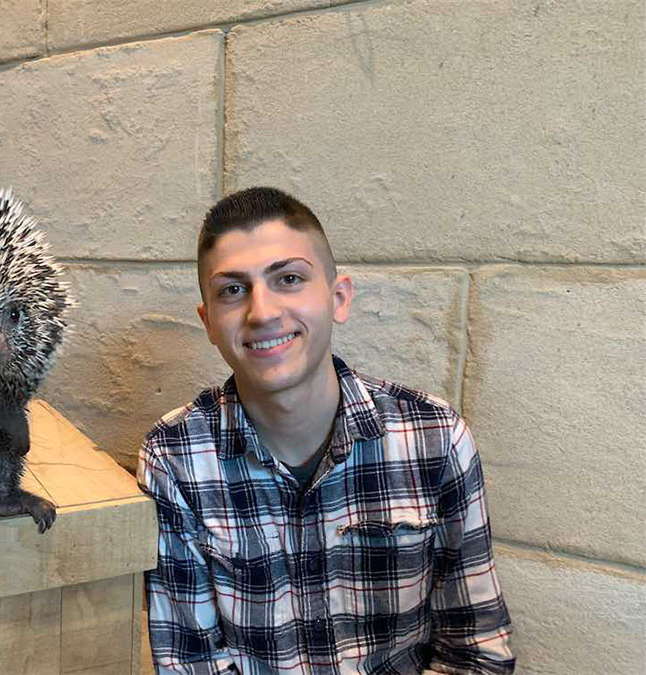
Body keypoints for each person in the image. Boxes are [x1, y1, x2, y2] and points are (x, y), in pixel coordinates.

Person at [137, 187, 514, 674]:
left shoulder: (435, 438)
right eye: (233, 289)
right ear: (209, 322)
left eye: (288, 279)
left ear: (338, 298)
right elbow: (192, 665)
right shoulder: (175, 459)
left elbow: (477, 652)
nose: (263, 312)